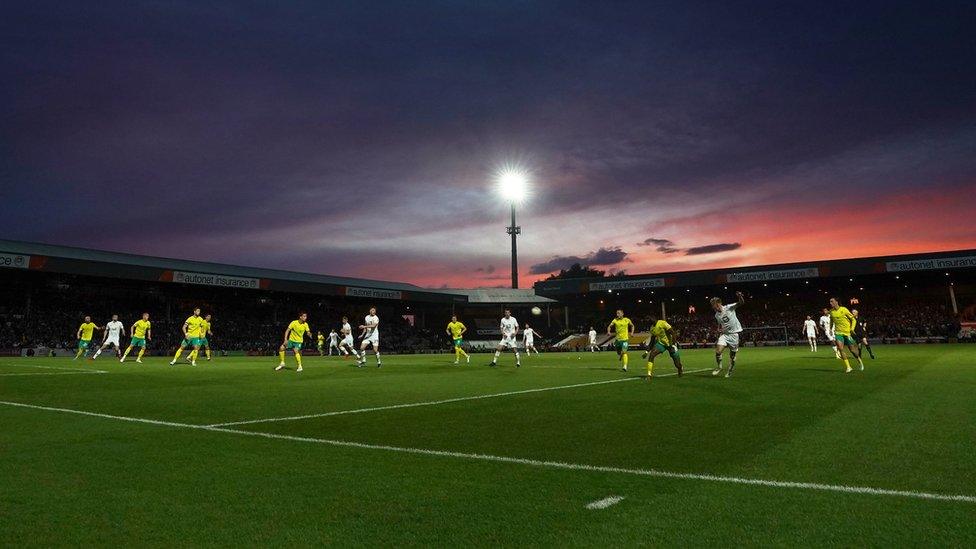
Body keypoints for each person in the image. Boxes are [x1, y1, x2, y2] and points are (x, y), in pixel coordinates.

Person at [711, 291, 745, 378]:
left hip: (734, 335)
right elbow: (720, 324)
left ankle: (730, 370)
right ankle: (719, 367)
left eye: (713, 304)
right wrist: (719, 329)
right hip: (725, 335)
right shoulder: (716, 315)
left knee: (732, 356)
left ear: (718, 304)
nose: (712, 306)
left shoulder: (729, 307)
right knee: (718, 351)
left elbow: (741, 303)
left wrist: (740, 296)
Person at [830, 298, 864, 373]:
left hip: (847, 333)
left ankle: (859, 361)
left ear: (836, 302)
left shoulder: (844, 309)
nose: (830, 303)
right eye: (830, 301)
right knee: (840, 348)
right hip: (838, 333)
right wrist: (830, 328)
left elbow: (853, 320)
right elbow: (831, 321)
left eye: (832, 301)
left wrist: (852, 329)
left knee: (852, 350)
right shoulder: (831, 312)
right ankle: (848, 367)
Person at [644, 313, 683, 378]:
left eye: (648, 319)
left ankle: (680, 368)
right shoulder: (652, 329)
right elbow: (652, 341)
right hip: (661, 344)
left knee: (677, 364)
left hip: (670, 344)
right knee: (652, 355)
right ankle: (649, 375)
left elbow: (673, 333)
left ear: (653, 319)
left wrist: (673, 345)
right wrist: (646, 352)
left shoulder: (662, 323)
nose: (648, 321)